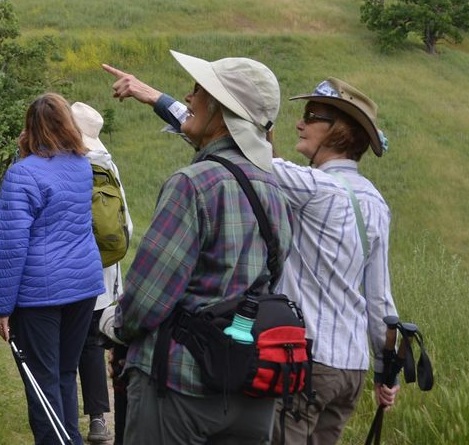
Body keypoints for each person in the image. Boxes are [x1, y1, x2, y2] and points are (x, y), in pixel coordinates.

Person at [104, 64, 400, 444]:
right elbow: (379, 297)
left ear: (339, 131)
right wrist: (385, 369)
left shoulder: (309, 187)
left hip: (299, 359)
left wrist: (159, 100)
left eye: (313, 116)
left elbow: (239, 152)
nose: (300, 123)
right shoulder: (376, 202)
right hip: (350, 367)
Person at [106, 51, 294, 445]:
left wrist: (114, 327)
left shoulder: (193, 184)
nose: (189, 99)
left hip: (179, 386)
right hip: (250, 388)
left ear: (221, 111)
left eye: (198, 91)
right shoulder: (274, 189)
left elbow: (148, 299)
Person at [0, 92, 106, 445]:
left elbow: (11, 245)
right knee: (65, 374)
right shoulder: (81, 166)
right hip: (83, 285)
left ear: (29, 128)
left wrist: (1, 308)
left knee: (42, 381)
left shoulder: (22, 174)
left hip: (41, 294)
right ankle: (70, 438)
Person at [71, 101, 131, 444]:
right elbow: (127, 228)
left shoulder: (66, 164)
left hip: (67, 273)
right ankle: (97, 421)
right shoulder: (109, 167)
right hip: (104, 275)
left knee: (65, 346)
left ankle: (60, 418)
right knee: (92, 346)